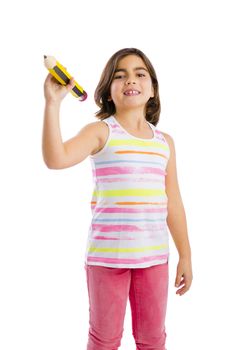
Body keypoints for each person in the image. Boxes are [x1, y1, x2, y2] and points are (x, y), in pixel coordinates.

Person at [43, 48, 193, 350]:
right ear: (107, 91)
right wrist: (52, 104)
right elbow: (55, 159)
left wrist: (185, 255)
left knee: (152, 340)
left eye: (140, 74)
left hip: (153, 260)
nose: (130, 80)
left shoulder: (165, 143)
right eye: (120, 75)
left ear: (152, 89)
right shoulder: (100, 132)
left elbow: (173, 202)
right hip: (106, 259)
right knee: (104, 340)